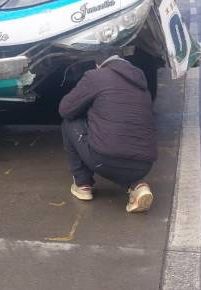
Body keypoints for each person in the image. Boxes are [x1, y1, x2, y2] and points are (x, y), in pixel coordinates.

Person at [58, 52, 157, 213]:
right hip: (144, 164)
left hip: (104, 159)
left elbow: (65, 109)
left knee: (70, 123)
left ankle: (82, 184)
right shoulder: (141, 83)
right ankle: (138, 186)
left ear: (99, 65)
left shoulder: (96, 76)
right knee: (125, 157)